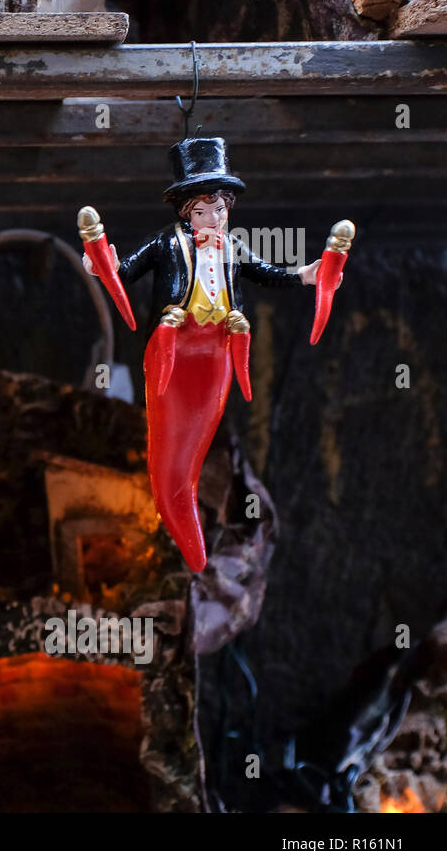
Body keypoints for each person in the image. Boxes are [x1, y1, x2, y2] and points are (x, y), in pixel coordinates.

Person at [83, 137, 340, 572]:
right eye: (204, 210)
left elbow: (265, 274)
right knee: (167, 444)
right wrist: (100, 264)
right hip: (174, 346)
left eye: (220, 209)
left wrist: (306, 276)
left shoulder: (231, 246)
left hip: (219, 347)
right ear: (186, 211)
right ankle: (173, 502)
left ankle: (185, 512)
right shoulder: (167, 244)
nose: (213, 218)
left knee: (199, 434)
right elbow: (124, 274)